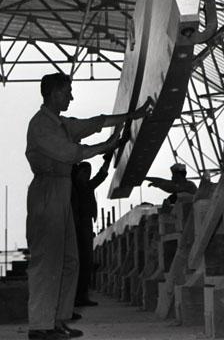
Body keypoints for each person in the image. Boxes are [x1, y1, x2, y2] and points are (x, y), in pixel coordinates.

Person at [25, 72, 152, 340]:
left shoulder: (60, 123)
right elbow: (72, 153)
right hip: (47, 191)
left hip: (62, 191)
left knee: (70, 260)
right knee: (48, 261)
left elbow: (95, 122)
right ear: (54, 94)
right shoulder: (41, 126)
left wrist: (131, 116)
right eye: (67, 92)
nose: (71, 97)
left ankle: (57, 320)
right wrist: (107, 145)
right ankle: (40, 326)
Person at [71, 153, 112, 307]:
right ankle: (77, 297)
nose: (87, 175)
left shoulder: (86, 186)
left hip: (86, 225)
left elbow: (101, 176)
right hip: (77, 225)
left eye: (88, 173)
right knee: (80, 261)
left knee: (86, 261)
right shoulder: (73, 186)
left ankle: (81, 296)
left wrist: (107, 161)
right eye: (85, 172)